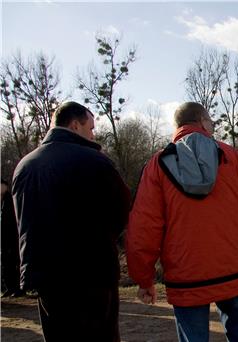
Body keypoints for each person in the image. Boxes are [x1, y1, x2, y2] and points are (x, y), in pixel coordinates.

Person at [126, 102, 238, 342]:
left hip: (185, 277)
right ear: (203, 122)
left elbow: (144, 228)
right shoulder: (232, 158)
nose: (213, 128)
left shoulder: (157, 165)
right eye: (212, 123)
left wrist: (144, 278)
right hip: (233, 270)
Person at [11, 101, 130, 342]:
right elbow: (122, 209)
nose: (93, 134)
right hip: (91, 272)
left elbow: (21, 220)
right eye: (91, 127)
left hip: (46, 276)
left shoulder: (25, 166)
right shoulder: (94, 161)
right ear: (75, 125)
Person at [1, 179, 23, 298]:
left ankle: (18, 288)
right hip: (3, 238)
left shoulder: (10, 200)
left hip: (13, 236)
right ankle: (10, 287)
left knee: (15, 261)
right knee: (6, 263)